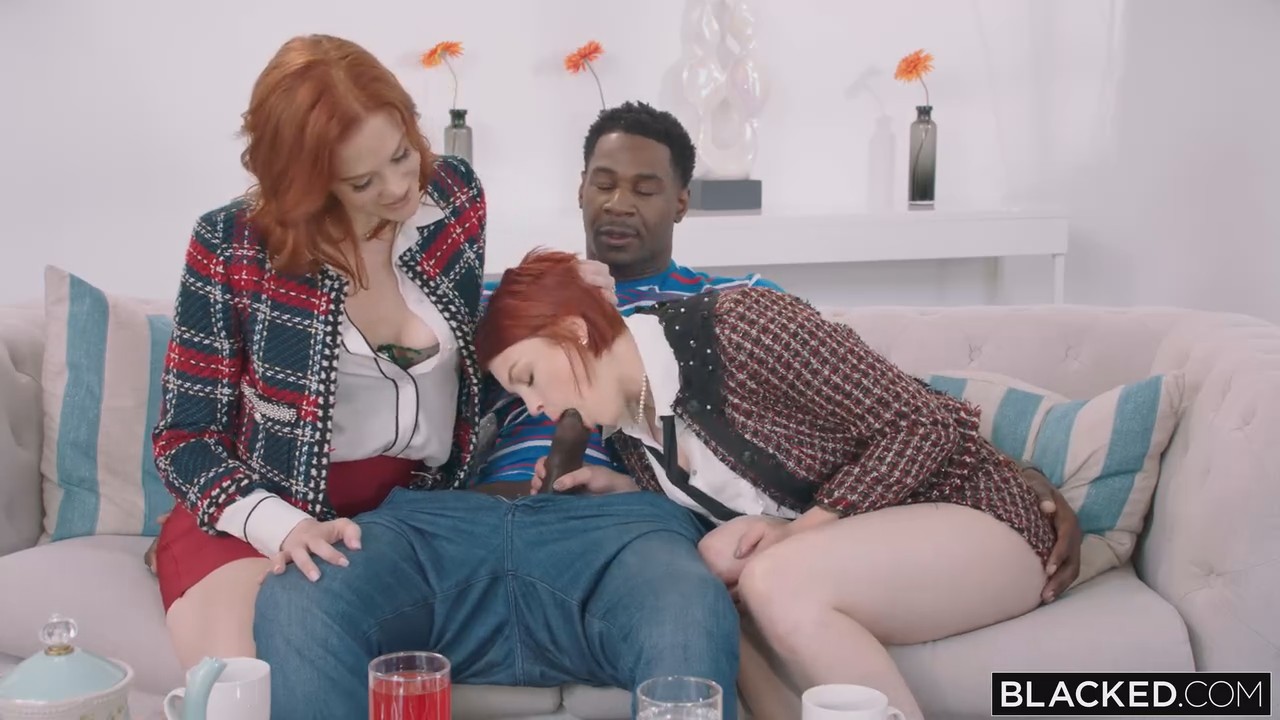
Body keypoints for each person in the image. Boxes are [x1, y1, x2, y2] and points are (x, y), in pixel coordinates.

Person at [242, 88, 741, 718]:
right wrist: (549, 294)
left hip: (625, 532)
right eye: (604, 183)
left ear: (681, 201)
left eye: (645, 189)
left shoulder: (723, 308)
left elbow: (781, 442)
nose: (619, 203)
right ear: (580, 189)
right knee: (303, 594)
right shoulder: (497, 303)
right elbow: (381, 346)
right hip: (452, 523)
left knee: (689, 607)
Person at [149, 34, 615, 671]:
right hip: (264, 513)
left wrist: (553, 300)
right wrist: (281, 525)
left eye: (402, 154)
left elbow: (464, 351)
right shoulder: (233, 244)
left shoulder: (453, 198)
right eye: (363, 180)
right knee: (263, 680)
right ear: (306, 182)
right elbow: (185, 438)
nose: (400, 188)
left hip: (410, 514)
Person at [475, 249, 1071, 720]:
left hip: (978, 516)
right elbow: (742, 503)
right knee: (708, 576)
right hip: (869, 553)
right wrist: (624, 491)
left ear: (575, 331)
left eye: (529, 377)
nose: (535, 406)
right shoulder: (631, 435)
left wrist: (802, 531)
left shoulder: (740, 325)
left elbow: (927, 424)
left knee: (773, 577)